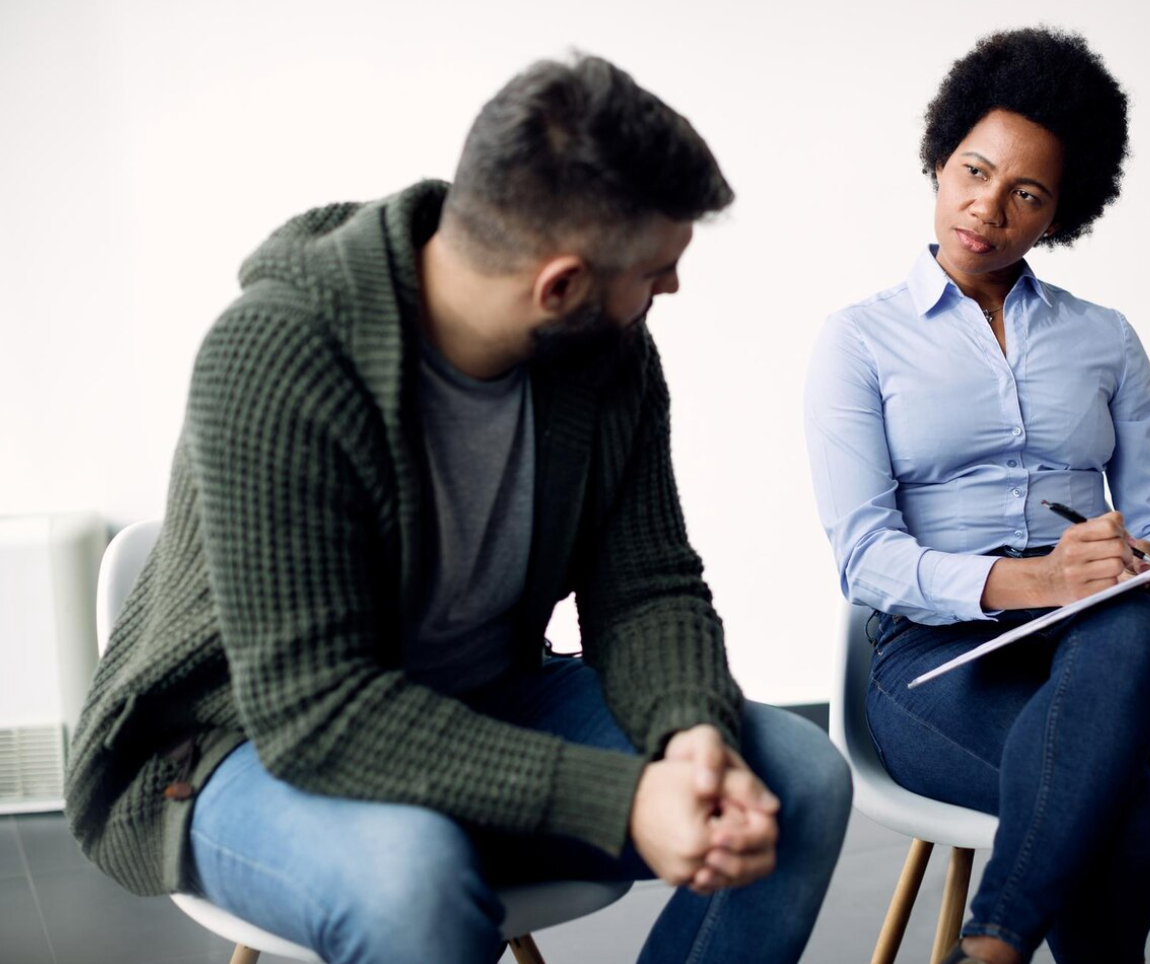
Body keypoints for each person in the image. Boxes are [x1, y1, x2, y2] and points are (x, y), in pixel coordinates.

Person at [66, 54, 851, 964]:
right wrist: (622, 799)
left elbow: (646, 587)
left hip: (488, 696)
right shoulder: (279, 355)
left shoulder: (609, 354)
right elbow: (316, 710)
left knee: (795, 782)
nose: (669, 289)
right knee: (412, 879)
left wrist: (690, 735)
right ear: (559, 286)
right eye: (657, 269)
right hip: (242, 743)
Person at [804, 27, 1150, 964]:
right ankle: (999, 944)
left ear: (1060, 213)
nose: (987, 208)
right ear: (939, 162)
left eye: (1027, 193)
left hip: (1106, 646)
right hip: (937, 660)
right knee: (1127, 818)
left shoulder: (1105, 337)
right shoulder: (858, 342)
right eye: (974, 172)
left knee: (1135, 628)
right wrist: (1039, 581)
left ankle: (989, 947)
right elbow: (866, 559)